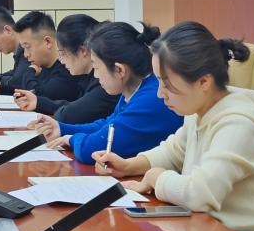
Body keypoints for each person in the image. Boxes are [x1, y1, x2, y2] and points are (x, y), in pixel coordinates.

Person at [93, 21, 254, 231]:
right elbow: (173, 151)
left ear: (203, 81)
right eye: (159, 81)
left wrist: (156, 177)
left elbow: (200, 194)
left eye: (167, 84)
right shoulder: (200, 111)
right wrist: (129, 165)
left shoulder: (239, 125)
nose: (160, 94)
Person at [32, 21, 180, 164]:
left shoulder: (151, 98)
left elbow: (92, 148)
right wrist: (62, 128)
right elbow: (108, 126)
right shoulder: (135, 88)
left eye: (96, 67)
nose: (96, 76)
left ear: (119, 70)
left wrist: (71, 139)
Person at [19, 13, 118, 124]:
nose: (61, 60)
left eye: (62, 53)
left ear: (82, 51)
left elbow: (68, 115)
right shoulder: (87, 77)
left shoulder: (106, 80)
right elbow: (75, 105)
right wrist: (38, 102)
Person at [9, 11, 84, 108]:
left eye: (27, 47)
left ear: (48, 42)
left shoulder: (67, 70)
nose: (26, 55)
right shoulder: (42, 66)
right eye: (23, 48)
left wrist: (30, 71)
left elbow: (38, 96)